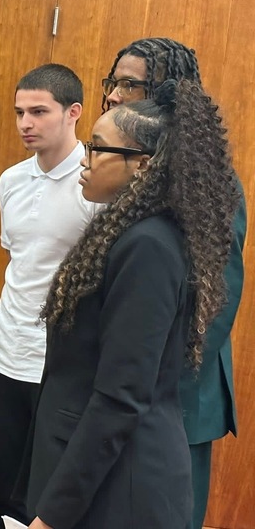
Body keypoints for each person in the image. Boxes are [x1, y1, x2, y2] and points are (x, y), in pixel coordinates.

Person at [26, 80, 240, 529]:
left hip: (122, 488)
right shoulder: (129, 232)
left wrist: (53, 516)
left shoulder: (149, 247)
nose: (84, 159)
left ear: (142, 165)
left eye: (98, 148)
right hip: (99, 475)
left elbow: (121, 398)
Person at [103, 37, 246, 529]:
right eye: (112, 82)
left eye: (129, 83)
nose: (114, 95)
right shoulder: (127, 166)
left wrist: (141, 379)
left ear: (165, 92)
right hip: (125, 388)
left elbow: (214, 307)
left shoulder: (211, 181)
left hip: (177, 394)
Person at [0, 64, 99, 524]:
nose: (25, 123)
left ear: (73, 113)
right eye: (19, 112)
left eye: (39, 112)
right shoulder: (10, 180)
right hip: (7, 351)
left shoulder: (96, 182)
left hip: (63, 361)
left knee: (51, 490)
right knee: (7, 485)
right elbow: (21, 262)